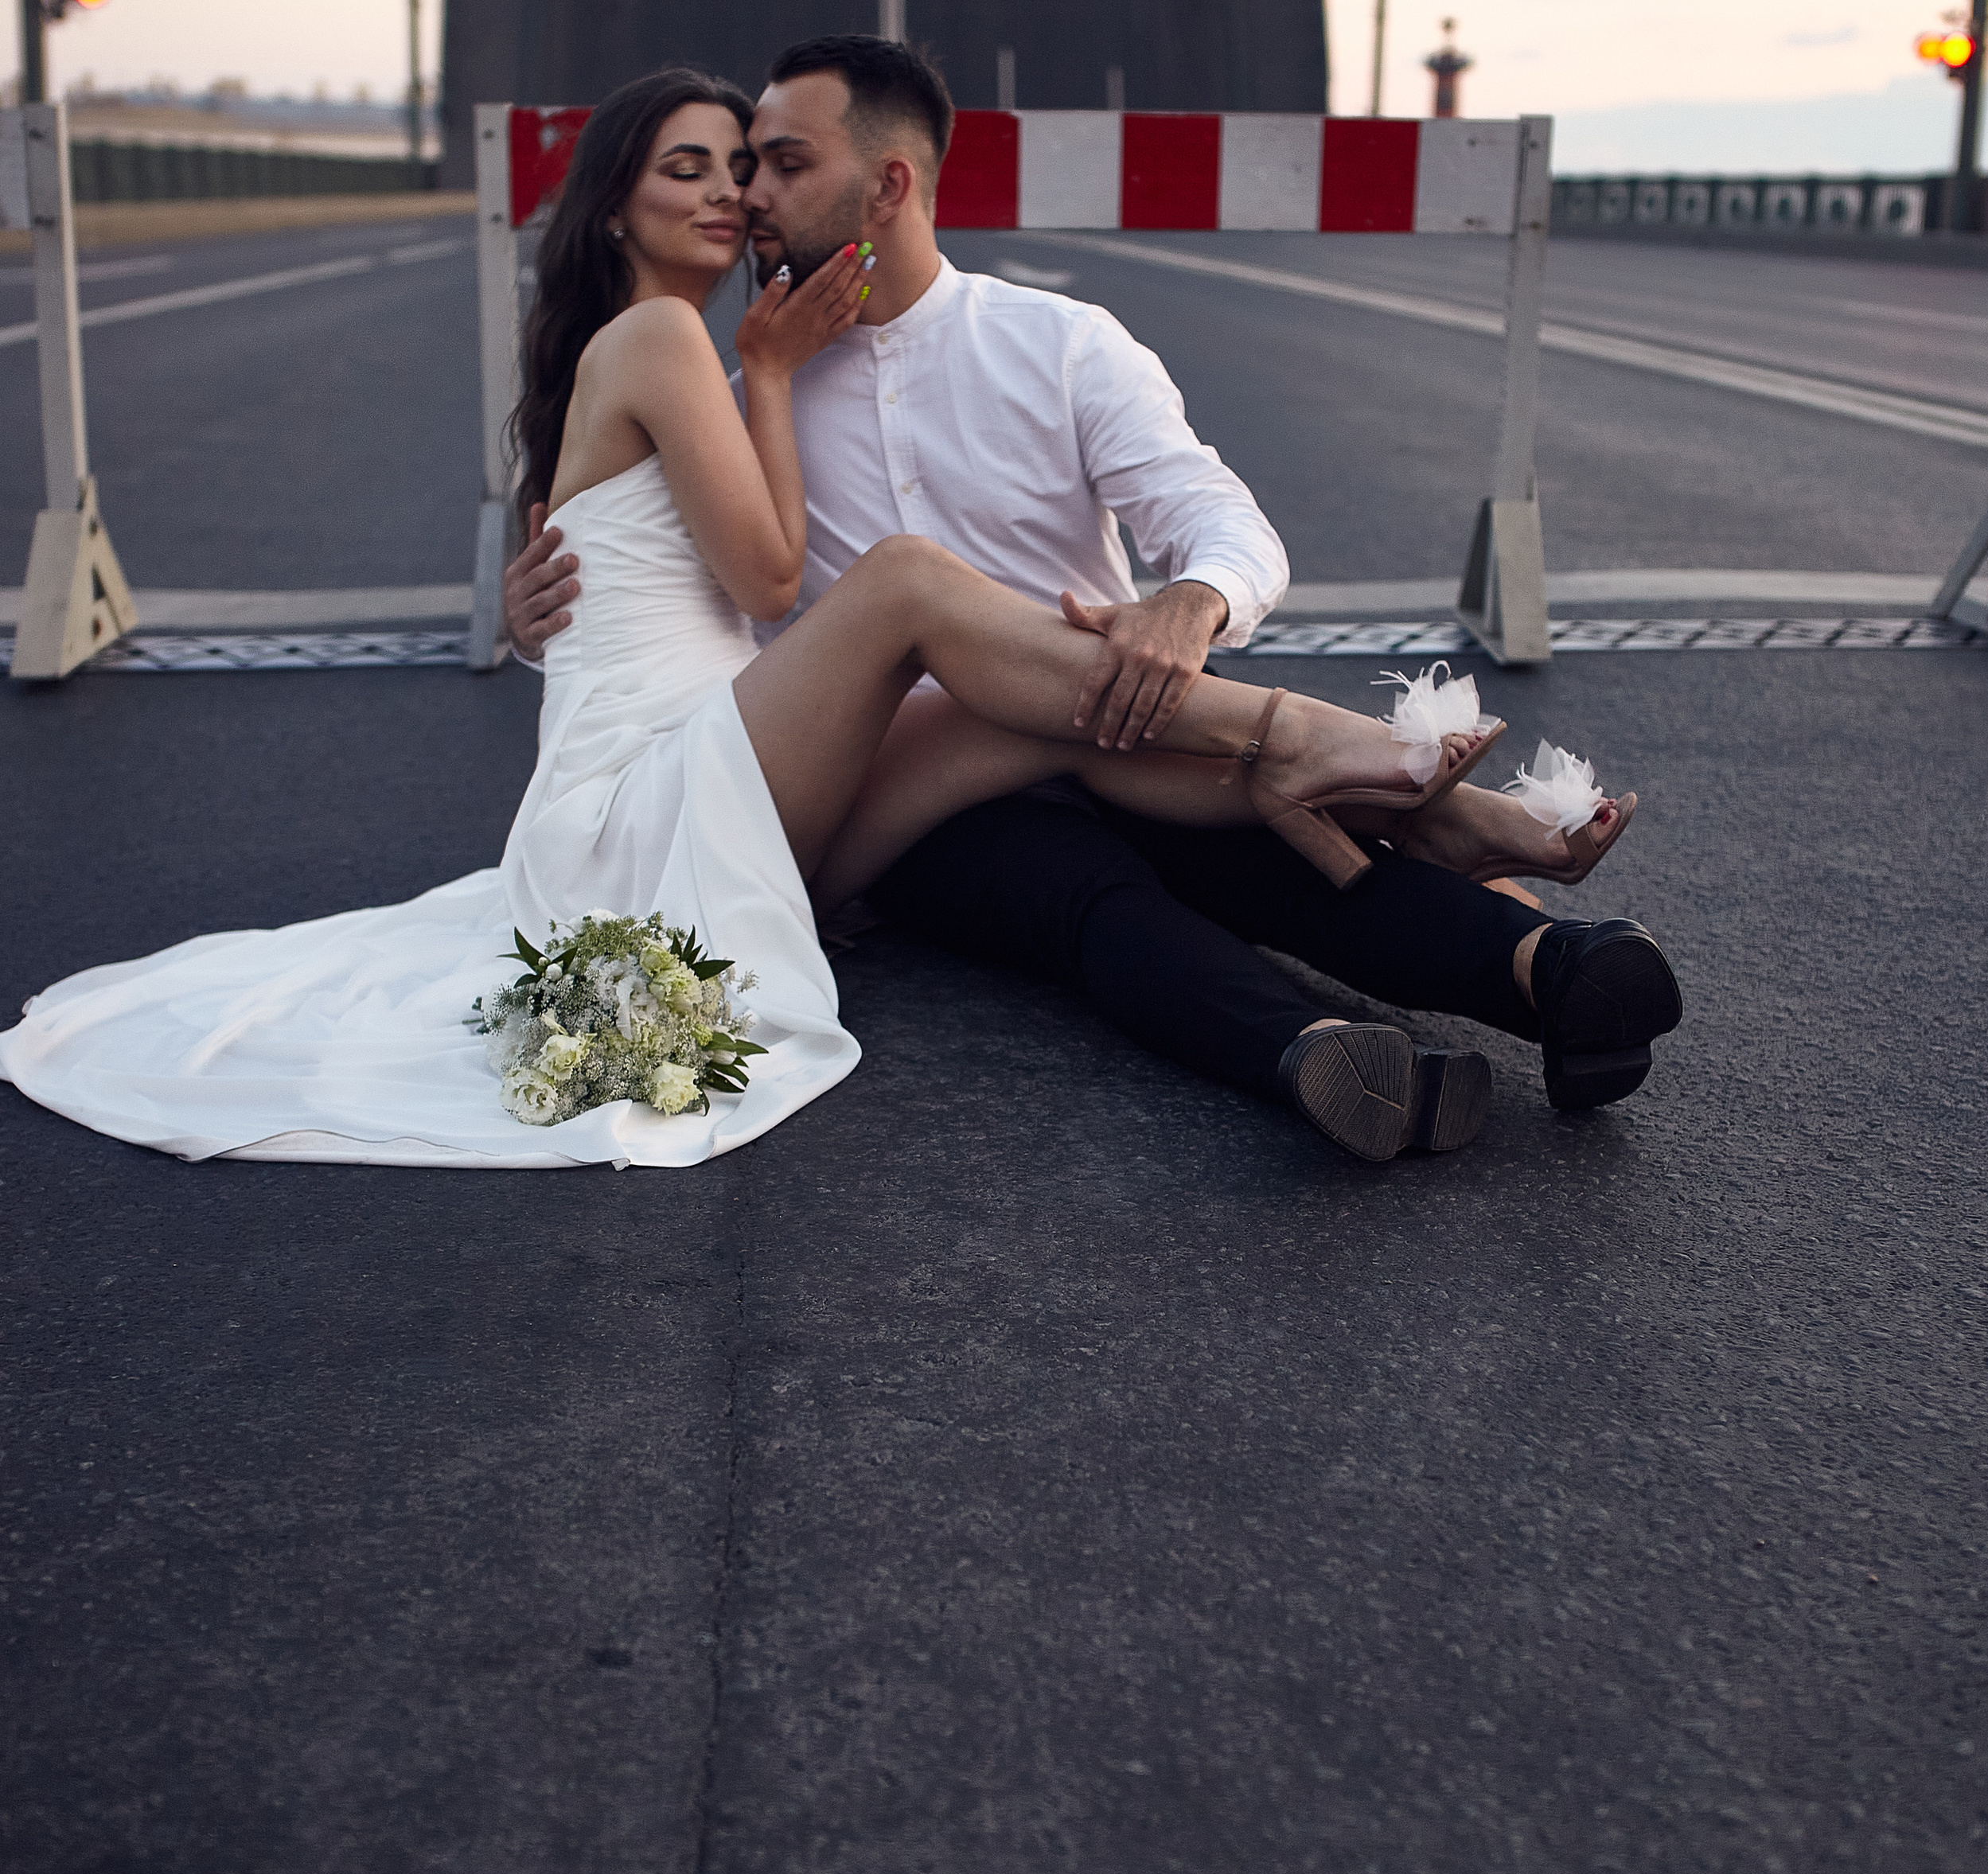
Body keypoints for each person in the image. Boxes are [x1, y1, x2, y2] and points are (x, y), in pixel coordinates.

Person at [0, 68, 1527, 1173]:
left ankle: (1388, 802)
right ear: (615, 202)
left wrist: (556, 598)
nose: (732, 193)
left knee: (1038, 719)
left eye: (745, 166)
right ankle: (1333, 742)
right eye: (690, 169)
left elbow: (622, 589)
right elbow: (775, 584)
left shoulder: (710, 363)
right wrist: (778, 377)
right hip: (650, 805)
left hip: (729, 787)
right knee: (909, 583)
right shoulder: (673, 341)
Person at [506, 38, 1683, 1151]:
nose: (750, 194)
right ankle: (1318, 1045)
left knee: (1264, 855)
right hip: (923, 793)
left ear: (889, 184)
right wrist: (537, 615)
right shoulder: (743, 399)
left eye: (780, 163)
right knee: (1083, 895)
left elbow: (1222, 521)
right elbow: (669, 597)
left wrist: (1192, 602)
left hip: (1121, 713)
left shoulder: (1058, 343)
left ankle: (1555, 972)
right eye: (732, 168)